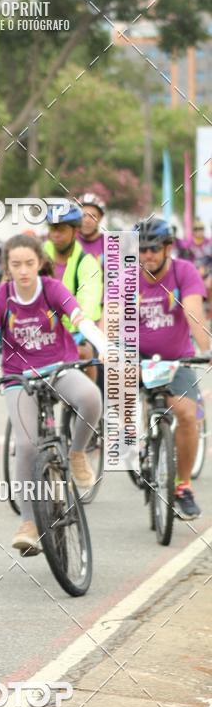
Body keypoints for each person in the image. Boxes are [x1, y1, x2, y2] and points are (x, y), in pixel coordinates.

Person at [0, 234, 105, 554]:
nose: (24, 270)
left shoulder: (53, 289)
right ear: (7, 266)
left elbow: (81, 320)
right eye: (16, 264)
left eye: (29, 263)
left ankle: (76, 454)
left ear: (39, 263)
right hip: (18, 379)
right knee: (28, 444)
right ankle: (29, 522)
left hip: (58, 368)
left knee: (90, 398)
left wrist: (105, 347)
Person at [135, 217, 211, 519]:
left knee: (188, 415)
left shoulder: (185, 272)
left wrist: (206, 350)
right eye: (141, 250)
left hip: (176, 359)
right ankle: (137, 445)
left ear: (168, 248)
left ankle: (183, 487)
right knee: (117, 404)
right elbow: (111, 320)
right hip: (136, 358)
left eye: (153, 249)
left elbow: (193, 313)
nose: (147, 255)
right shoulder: (127, 277)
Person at [43, 202, 103, 377]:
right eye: (52, 229)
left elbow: (88, 306)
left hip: (74, 332)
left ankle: (84, 405)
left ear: (75, 231)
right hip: (37, 331)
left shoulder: (87, 263)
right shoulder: (36, 256)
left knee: (85, 354)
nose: (55, 235)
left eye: (61, 229)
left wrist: (78, 332)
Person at [77, 192, 106, 265]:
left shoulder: (111, 245)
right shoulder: (69, 241)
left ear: (100, 218)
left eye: (92, 216)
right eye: (83, 215)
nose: (87, 220)